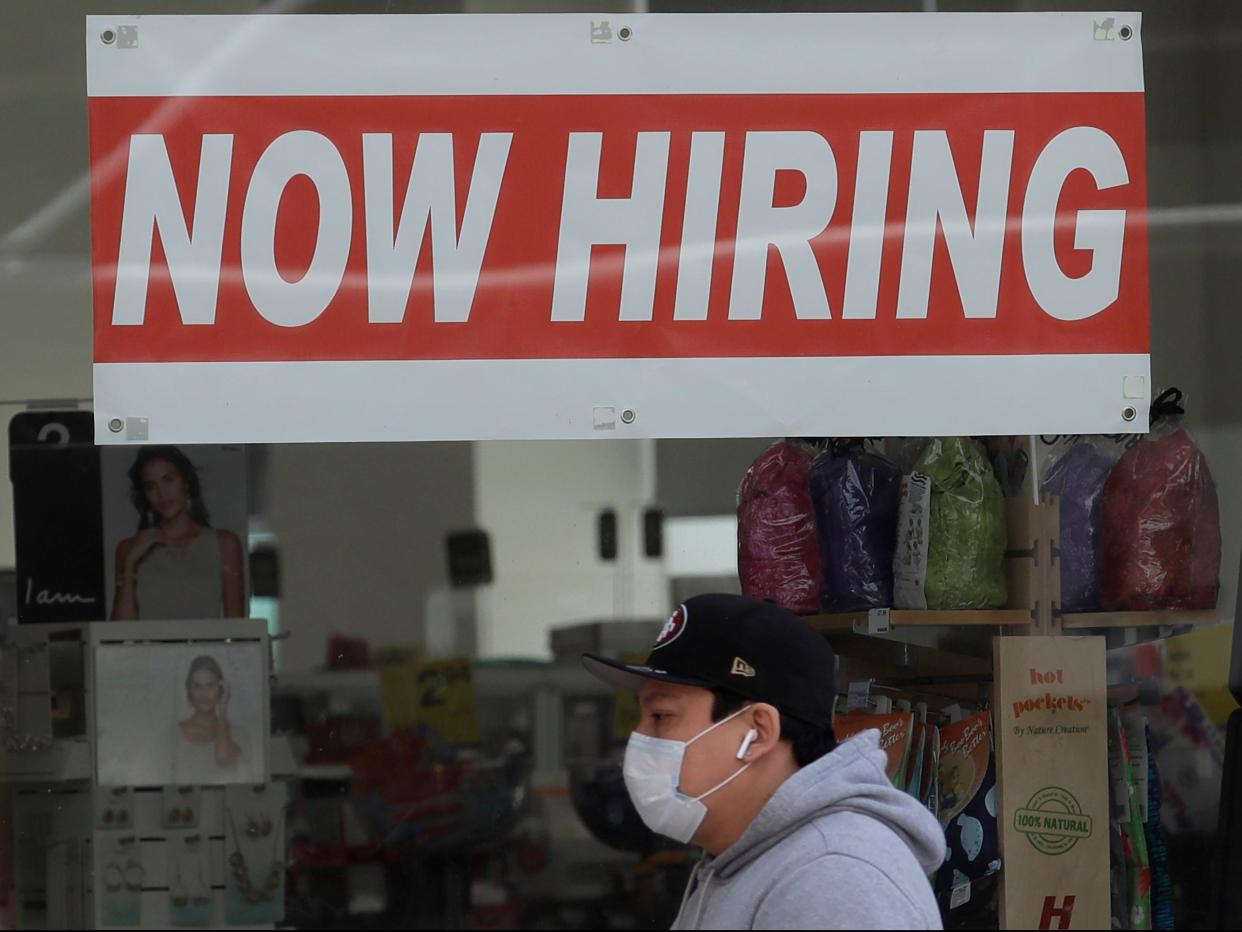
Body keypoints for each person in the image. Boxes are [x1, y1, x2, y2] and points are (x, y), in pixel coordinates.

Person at [583, 593, 944, 930]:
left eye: (661, 717)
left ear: (757, 732)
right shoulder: (747, 862)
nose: (640, 739)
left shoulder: (833, 879)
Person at [111, 445, 245, 620]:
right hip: (148, 648)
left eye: (168, 480)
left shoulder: (224, 543)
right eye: (151, 486)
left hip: (208, 647)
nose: (162, 493)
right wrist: (130, 564)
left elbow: (237, 630)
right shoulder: (128, 549)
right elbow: (120, 636)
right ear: (145, 495)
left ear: (186, 482)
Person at [173, 654, 244, 783]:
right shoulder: (173, 735)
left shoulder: (239, 735)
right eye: (198, 686)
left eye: (210, 685)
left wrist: (223, 712)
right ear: (190, 691)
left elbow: (223, 759)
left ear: (221, 689)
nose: (204, 693)